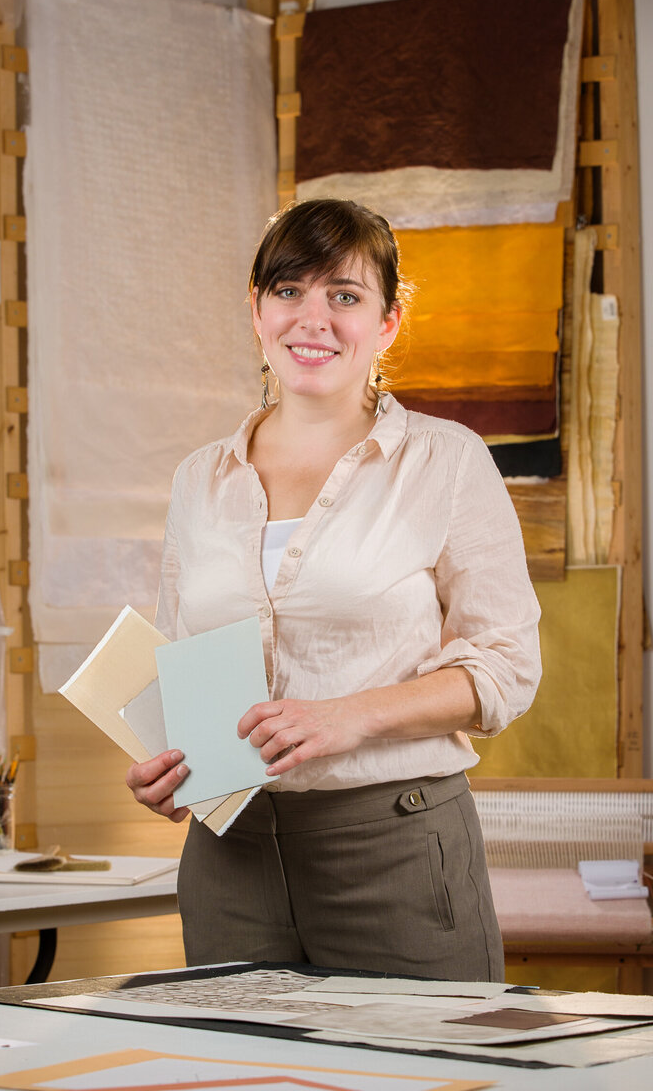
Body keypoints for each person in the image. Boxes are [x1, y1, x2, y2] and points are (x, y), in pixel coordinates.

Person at [126, 198, 541, 981]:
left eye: (344, 296)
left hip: (395, 846)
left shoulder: (447, 462)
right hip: (229, 852)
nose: (312, 319)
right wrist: (169, 763)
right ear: (257, 311)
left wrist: (347, 718)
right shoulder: (199, 479)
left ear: (386, 323)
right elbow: (177, 655)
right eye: (288, 292)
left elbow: (507, 668)